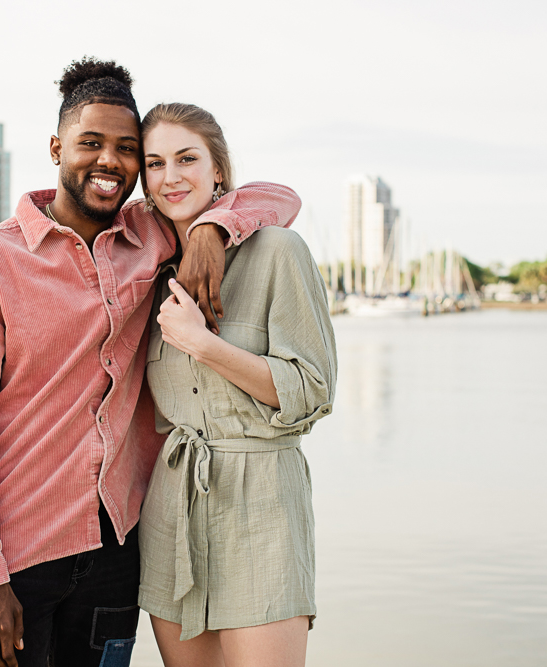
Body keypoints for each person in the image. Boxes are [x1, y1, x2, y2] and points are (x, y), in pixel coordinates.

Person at [0, 58, 302, 667]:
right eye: (90, 143)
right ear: (56, 147)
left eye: (128, 149)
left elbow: (279, 198)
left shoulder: (150, 236)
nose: (110, 161)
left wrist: (212, 228)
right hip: (14, 562)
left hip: (115, 557)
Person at [136, 103, 337, 667]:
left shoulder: (279, 252)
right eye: (155, 164)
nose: (171, 176)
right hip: (172, 509)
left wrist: (207, 347)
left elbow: (313, 392)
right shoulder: (147, 266)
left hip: (263, 506)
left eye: (186, 158)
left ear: (218, 169)